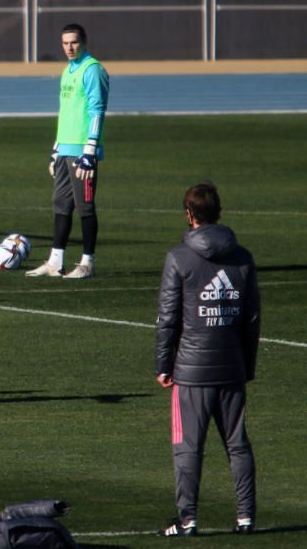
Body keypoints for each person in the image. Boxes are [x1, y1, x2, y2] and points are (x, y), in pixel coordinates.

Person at [155, 183, 259, 537]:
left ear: (189, 214)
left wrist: (163, 366)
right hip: (231, 366)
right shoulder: (242, 257)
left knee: (188, 448)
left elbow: (168, 318)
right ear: (219, 212)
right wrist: (247, 365)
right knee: (237, 443)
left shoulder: (178, 258)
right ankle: (246, 518)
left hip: (191, 369)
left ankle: (188, 520)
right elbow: (252, 318)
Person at [26, 23, 109, 279]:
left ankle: (87, 263)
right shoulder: (67, 71)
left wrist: (90, 150)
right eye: (65, 43)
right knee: (60, 204)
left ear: (83, 41)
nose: (69, 48)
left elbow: (97, 111)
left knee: (85, 207)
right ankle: (56, 261)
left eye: (73, 42)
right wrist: (56, 148)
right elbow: (65, 114)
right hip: (65, 150)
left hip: (83, 153)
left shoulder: (92, 69)